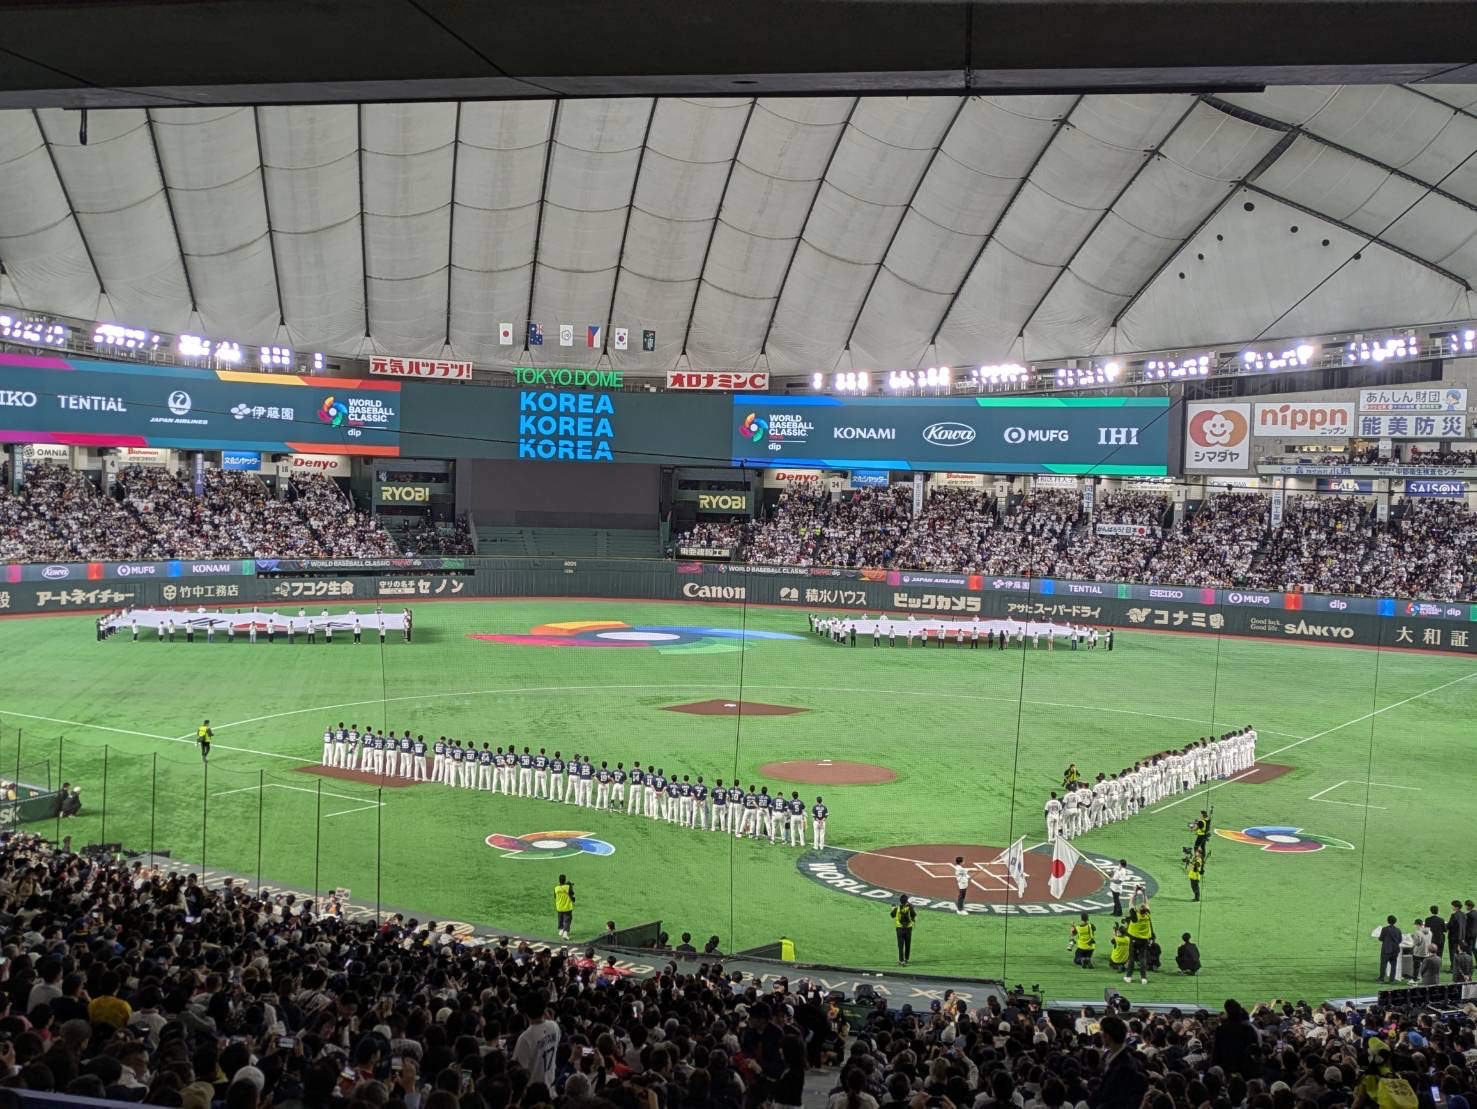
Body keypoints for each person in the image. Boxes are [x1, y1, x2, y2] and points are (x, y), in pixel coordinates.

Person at [1094, 1014, 1147, 1109]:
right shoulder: (1108, 1057)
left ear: (1108, 1036)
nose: (1100, 1034)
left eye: (1102, 1031)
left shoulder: (1126, 1065)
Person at [511, 992, 560, 1089]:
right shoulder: (554, 1026)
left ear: (526, 1012)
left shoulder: (525, 1038)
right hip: (550, 1084)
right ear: (544, 1009)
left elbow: (520, 1071)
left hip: (532, 1089)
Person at [1125, 902, 1153, 985]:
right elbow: (1147, 904)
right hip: (1144, 940)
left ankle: (1129, 977)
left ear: (1139, 910)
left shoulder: (1135, 916)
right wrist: (1144, 893)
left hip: (1134, 939)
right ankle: (1143, 978)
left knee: (1132, 958)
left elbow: (1130, 903)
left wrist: (1135, 892)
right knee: (1143, 959)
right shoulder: (1148, 915)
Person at [890, 894, 917, 966]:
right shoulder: (910, 908)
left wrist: (893, 908)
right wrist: (913, 909)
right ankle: (906, 959)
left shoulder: (897, 908)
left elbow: (892, 915)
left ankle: (901, 960)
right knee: (908, 944)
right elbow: (914, 916)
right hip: (908, 929)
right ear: (907, 901)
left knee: (900, 945)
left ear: (900, 901)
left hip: (899, 929)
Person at [1376, 915, 1403, 983]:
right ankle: (1391, 980)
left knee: (1383, 965)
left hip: (1386, 950)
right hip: (1395, 950)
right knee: (1393, 965)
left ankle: (1381, 979)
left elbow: (1381, 938)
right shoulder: (1398, 930)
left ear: (1388, 921)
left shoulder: (1385, 929)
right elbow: (1400, 940)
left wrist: (1379, 937)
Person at [553, 874, 576, 940]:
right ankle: (565, 933)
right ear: (565, 880)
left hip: (559, 907)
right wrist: (570, 886)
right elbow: (572, 894)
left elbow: (555, 897)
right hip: (567, 907)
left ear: (559, 880)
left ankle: (561, 930)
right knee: (567, 920)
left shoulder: (556, 888)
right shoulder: (568, 887)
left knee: (560, 919)